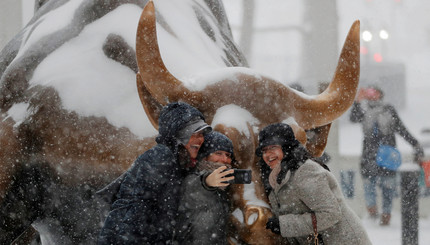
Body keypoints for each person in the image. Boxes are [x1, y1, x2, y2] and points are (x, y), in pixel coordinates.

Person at [97, 102, 212, 244]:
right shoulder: (161, 157)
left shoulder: (179, 163)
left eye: (202, 134)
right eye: (195, 133)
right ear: (177, 135)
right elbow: (136, 211)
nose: (201, 139)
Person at [256, 123, 372, 244]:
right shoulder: (275, 177)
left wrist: (283, 224)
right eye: (264, 150)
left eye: (273, 148)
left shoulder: (305, 171)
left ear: (286, 147)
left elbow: (330, 214)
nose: (268, 155)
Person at [350, 85, 424, 225]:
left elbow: (401, 129)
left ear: (380, 94)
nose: (372, 94)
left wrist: (415, 144)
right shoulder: (364, 110)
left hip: (387, 155)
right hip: (369, 155)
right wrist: (358, 101)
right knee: (369, 186)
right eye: (369, 91)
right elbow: (353, 118)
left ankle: (386, 215)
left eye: (375, 91)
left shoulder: (389, 110)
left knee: (388, 187)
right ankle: (372, 214)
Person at [174, 131, 235, 245]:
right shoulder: (191, 180)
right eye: (218, 153)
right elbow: (198, 186)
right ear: (205, 156)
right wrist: (207, 182)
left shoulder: (223, 188)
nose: (224, 159)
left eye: (228, 155)